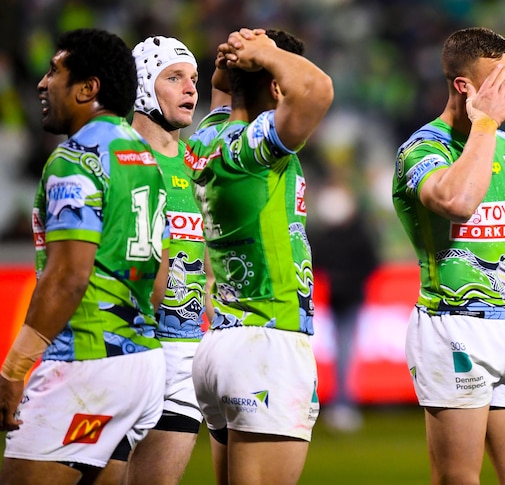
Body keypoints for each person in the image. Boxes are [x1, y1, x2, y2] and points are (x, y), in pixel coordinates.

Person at [0, 28, 168, 485]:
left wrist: (14, 369)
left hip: (87, 363)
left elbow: (67, 277)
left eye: (55, 71)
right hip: (143, 365)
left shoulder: (75, 159)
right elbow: (159, 276)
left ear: (88, 88)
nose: (42, 82)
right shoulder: (145, 160)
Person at [392, 27, 505, 485]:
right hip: (453, 325)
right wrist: (484, 123)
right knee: (459, 478)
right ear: (465, 87)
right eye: (503, 78)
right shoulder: (422, 148)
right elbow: (457, 201)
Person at [186, 28, 333, 485]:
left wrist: (232, 57)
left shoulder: (208, 136)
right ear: (275, 83)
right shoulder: (253, 149)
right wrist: (264, 53)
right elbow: (316, 90)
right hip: (268, 339)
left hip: (221, 344)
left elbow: (221, 91)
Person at [121, 35, 213, 485]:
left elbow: (209, 248)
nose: (190, 89)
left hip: (183, 352)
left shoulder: (198, 166)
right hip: (126, 344)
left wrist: (211, 293)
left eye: (193, 79)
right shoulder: (118, 156)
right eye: (174, 78)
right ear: (141, 86)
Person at [309, 180, 379, 433]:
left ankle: (343, 403)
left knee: (344, 353)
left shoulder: (334, 236)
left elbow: (370, 263)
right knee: (343, 353)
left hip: (346, 299)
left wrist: (340, 279)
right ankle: (342, 403)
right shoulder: (351, 235)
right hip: (340, 300)